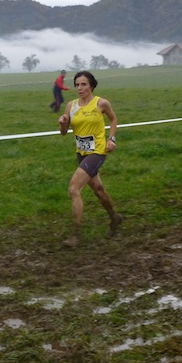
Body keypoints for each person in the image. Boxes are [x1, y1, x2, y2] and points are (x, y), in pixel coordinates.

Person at [57, 70, 123, 247]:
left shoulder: (101, 103)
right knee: (98, 189)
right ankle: (115, 217)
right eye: (77, 84)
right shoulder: (71, 106)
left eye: (83, 84)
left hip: (98, 151)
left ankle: (75, 235)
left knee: (73, 188)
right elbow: (64, 133)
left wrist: (111, 138)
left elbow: (113, 119)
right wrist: (63, 123)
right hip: (82, 153)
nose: (80, 88)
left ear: (91, 85)